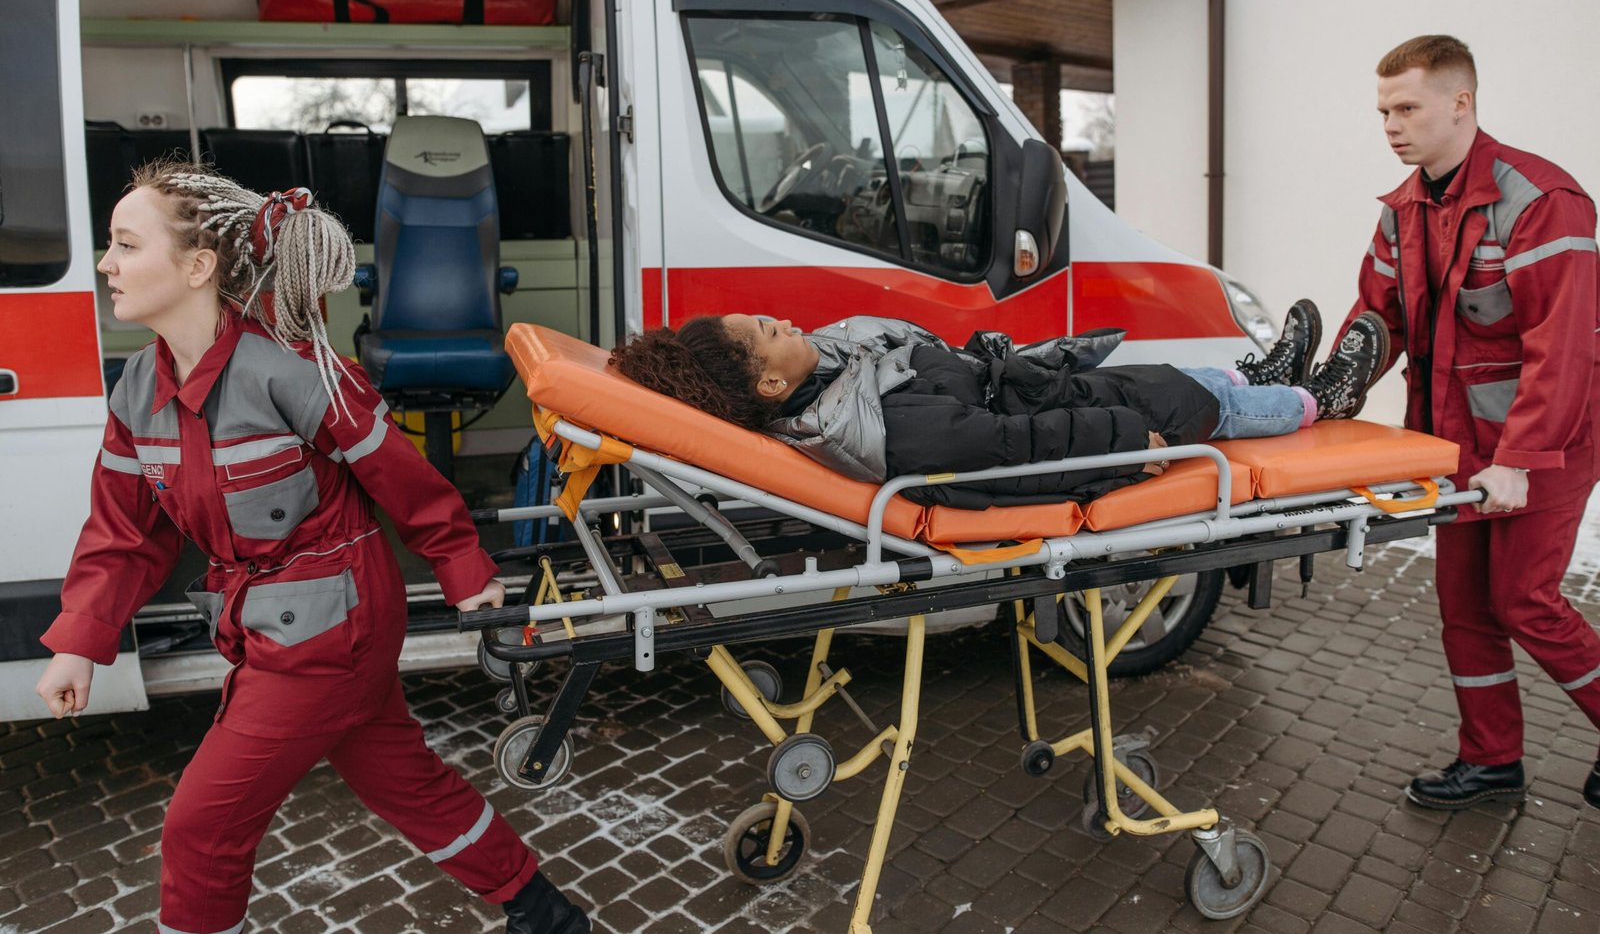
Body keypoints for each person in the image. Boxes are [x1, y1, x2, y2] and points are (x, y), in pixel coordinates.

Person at [32, 161, 588, 934]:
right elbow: (122, 534)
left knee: (200, 830)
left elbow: (403, 478)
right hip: (270, 623)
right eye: (110, 245)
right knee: (406, 783)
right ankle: (546, 914)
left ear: (198, 267)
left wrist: (464, 571)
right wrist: (81, 643)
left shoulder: (293, 370)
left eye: (126, 244)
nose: (105, 264)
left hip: (332, 627)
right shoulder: (134, 392)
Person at [1340, 34, 1600, 811]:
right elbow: (1375, 322)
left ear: (1462, 103)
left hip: (1547, 442)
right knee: (1465, 607)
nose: (1390, 125)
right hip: (1454, 447)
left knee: (1525, 600)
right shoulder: (1404, 213)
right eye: (1384, 110)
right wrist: (1322, 396)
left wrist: (1519, 456)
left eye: (1407, 107)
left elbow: (1564, 348)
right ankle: (1491, 762)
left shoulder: (1541, 200)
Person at [609, 300, 1388, 510]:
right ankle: (1315, 399)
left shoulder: (832, 378)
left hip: (1024, 388)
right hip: (1078, 428)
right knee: (1185, 405)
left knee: (1162, 375)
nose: (777, 319)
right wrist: (1126, 437)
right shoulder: (876, 426)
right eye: (766, 332)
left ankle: (1261, 374)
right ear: (771, 387)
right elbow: (1010, 456)